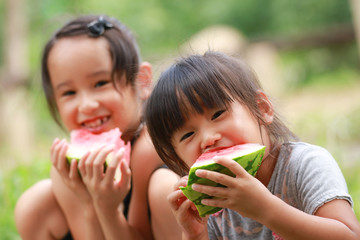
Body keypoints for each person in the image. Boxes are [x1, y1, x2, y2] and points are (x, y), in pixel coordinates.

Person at [145, 51, 360, 239]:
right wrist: (195, 234)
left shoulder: (305, 165)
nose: (208, 138)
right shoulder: (211, 202)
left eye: (218, 114)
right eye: (188, 134)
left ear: (262, 108)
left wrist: (264, 208)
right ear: (176, 158)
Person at [14, 15, 181, 240]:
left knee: (164, 189)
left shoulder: (149, 148)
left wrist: (109, 210)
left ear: (141, 81)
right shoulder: (69, 169)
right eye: (69, 93)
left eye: (101, 83)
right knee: (34, 203)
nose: (87, 105)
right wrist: (88, 202)